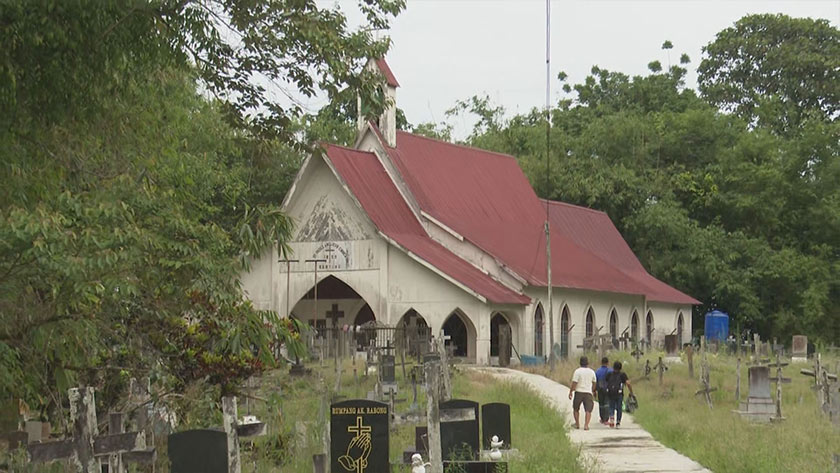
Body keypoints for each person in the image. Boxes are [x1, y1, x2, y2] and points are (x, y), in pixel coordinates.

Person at [568, 356, 597, 430]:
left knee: (576, 408)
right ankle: (586, 425)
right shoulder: (591, 372)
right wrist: (593, 390)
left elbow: (574, 383)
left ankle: (577, 424)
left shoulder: (577, 371)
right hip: (588, 392)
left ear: (580, 363)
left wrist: (571, 391)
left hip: (579, 392)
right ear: (588, 363)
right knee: (588, 409)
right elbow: (594, 383)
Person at [605, 361, 634, 428]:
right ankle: (618, 422)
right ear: (620, 367)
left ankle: (611, 418)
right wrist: (631, 392)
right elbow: (628, 383)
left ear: (613, 367)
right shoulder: (622, 375)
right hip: (619, 393)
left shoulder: (609, 374)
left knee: (611, 406)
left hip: (610, 392)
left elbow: (606, 382)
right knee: (619, 407)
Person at [594, 357, 612, 425]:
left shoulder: (597, 371)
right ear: (608, 363)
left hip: (600, 389)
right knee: (607, 404)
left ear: (601, 362)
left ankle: (602, 418)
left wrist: (594, 390)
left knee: (601, 404)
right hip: (607, 389)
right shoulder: (610, 370)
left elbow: (595, 381)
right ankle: (606, 419)